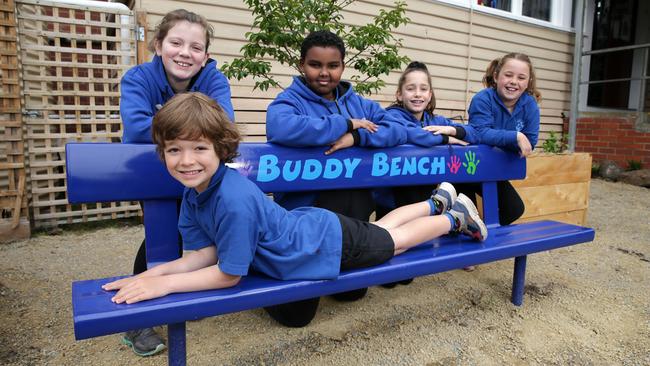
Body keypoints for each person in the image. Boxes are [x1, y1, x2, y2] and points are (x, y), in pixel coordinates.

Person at [101, 93, 488, 331]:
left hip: (323, 244)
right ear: (163, 152)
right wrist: (155, 274)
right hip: (312, 231)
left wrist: (165, 286)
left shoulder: (231, 199)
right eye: (174, 150)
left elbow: (227, 276)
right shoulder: (194, 193)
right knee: (384, 231)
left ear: (221, 149)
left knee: (394, 242)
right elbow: (202, 255)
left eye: (199, 149)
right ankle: (435, 202)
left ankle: (454, 217)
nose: (186, 161)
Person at [264, 30, 407, 323]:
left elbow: (397, 128)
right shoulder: (289, 101)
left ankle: (334, 266)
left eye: (333, 65)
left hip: (353, 214)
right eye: (316, 65)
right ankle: (267, 273)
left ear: (342, 66)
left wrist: (356, 137)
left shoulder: (359, 103)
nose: (325, 73)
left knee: (351, 294)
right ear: (302, 65)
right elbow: (281, 126)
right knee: (296, 318)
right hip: (308, 219)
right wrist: (344, 123)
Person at [118, 9, 234, 356]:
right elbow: (136, 127)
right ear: (158, 45)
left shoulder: (215, 80)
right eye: (176, 43)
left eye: (196, 47)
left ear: (206, 55)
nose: (186, 53)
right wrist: (196, 125)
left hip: (197, 173)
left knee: (195, 233)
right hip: (154, 171)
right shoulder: (138, 78)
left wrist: (172, 128)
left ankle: (173, 290)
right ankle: (137, 316)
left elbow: (224, 124)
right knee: (162, 234)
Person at [377, 61, 480, 283]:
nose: (417, 94)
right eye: (411, 88)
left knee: (407, 273)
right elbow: (409, 133)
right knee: (393, 278)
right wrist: (444, 139)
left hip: (422, 198)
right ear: (399, 93)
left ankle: (459, 240)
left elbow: (474, 132)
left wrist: (453, 130)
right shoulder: (391, 116)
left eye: (423, 89)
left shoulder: (435, 120)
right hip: (392, 201)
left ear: (430, 94)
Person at [463, 52, 542, 226]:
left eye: (521, 77)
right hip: (469, 167)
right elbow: (480, 133)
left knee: (514, 208)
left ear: (528, 82)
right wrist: (515, 136)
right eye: (508, 75)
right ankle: (471, 237)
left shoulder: (530, 105)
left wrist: (510, 140)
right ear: (497, 76)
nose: (514, 81)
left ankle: (483, 237)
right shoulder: (483, 99)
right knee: (467, 213)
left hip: (496, 168)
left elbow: (530, 143)